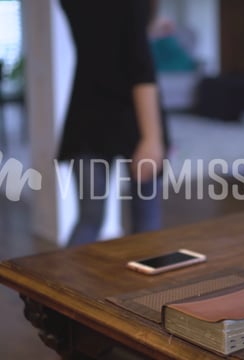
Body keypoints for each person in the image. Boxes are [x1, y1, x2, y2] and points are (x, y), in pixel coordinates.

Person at [58, 0, 169, 247]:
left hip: (87, 111)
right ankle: (141, 287)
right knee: (146, 230)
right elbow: (140, 68)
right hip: (137, 117)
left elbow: (105, 36)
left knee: (88, 220)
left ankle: (59, 286)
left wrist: (144, 28)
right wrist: (151, 137)